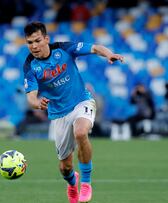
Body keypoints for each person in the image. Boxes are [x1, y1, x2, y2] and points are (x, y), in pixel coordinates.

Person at [22, 21, 124, 203]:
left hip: (81, 101)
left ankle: (85, 183)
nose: (34, 46)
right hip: (59, 114)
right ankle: (72, 183)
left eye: (37, 40)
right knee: (65, 167)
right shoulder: (30, 65)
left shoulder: (64, 49)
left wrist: (109, 54)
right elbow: (30, 96)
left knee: (81, 132)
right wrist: (37, 103)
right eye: (30, 42)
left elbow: (94, 48)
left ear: (46, 39)